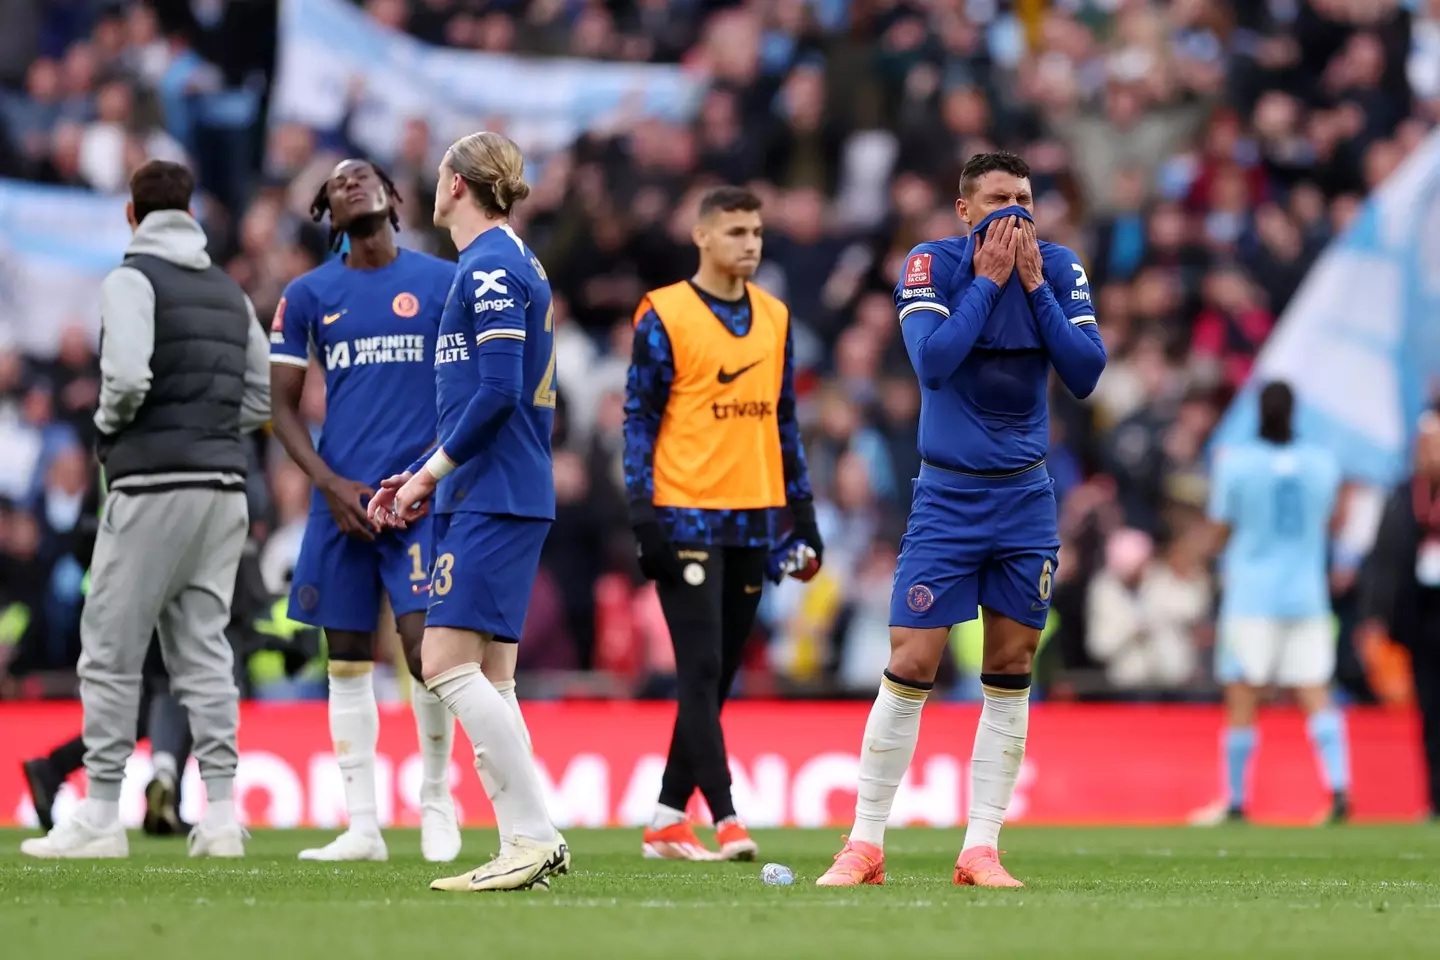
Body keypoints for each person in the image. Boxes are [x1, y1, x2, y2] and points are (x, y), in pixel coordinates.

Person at [816, 152, 1106, 888]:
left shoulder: (1060, 268)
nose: (1018, 213)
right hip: (947, 498)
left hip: (1024, 498)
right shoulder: (930, 264)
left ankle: (981, 849)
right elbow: (935, 363)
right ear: (966, 211)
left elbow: (1085, 371)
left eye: (1027, 199)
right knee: (912, 661)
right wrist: (988, 283)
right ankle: (865, 842)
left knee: (1009, 668)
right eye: (1001, 199)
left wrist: (1034, 288)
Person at [22, 159, 270, 859]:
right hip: (225, 490)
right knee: (204, 652)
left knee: (110, 647)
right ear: (191, 214)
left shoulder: (131, 280)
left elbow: (126, 377)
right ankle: (220, 816)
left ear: (132, 215)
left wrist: (108, 427)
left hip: (154, 482)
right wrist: (215, 432)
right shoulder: (229, 291)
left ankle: (101, 815)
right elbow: (260, 396)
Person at [368, 131, 568, 893]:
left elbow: (496, 393)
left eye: (441, 170)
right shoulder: (500, 261)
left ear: (456, 184)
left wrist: (432, 477)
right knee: (492, 677)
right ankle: (523, 838)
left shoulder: (489, 266)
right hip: (491, 488)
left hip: (494, 491)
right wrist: (421, 470)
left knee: (441, 663)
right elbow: (471, 396)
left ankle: (534, 834)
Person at [269, 158, 461, 863]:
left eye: (363, 175)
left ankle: (438, 798)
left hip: (418, 497)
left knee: (427, 652)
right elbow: (279, 407)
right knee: (344, 658)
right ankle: (363, 826)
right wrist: (327, 484)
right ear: (326, 211)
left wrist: (432, 474)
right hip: (341, 500)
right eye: (335, 182)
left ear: (393, 197)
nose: (349, 182)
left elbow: (475, 389)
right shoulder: (309, 294)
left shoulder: (443, 281)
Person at [623, 185, 822, 862]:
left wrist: (805, 519)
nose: (751, 243)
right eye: (736, 231)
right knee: (701, 667)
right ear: (701, 236)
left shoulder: (775, 317)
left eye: (758, 231)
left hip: (755, 518)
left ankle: (666, 819)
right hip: (686, 516)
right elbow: (638, 420)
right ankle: (728, 817)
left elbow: (784, 422)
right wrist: (643, 517)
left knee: (718, 675)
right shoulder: (665, 314)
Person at [1195, 380, 1349, 825]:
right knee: (1315, 687)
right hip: (1307, 593)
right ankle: (1339, 788)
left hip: (1252, 596)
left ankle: (1237, 800)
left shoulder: (1236, 464)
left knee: (1243, 692)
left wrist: (1208, 547)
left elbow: (1221, 530)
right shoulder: (1322, 463)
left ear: (1256, 412)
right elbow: (1334, 521)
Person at [1361, 408, 1440, 821]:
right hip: (1421, 615)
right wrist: (1377, 613)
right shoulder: (1404, 495)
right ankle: (1434, 799)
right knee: (1429, 711)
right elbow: (1384, 559)